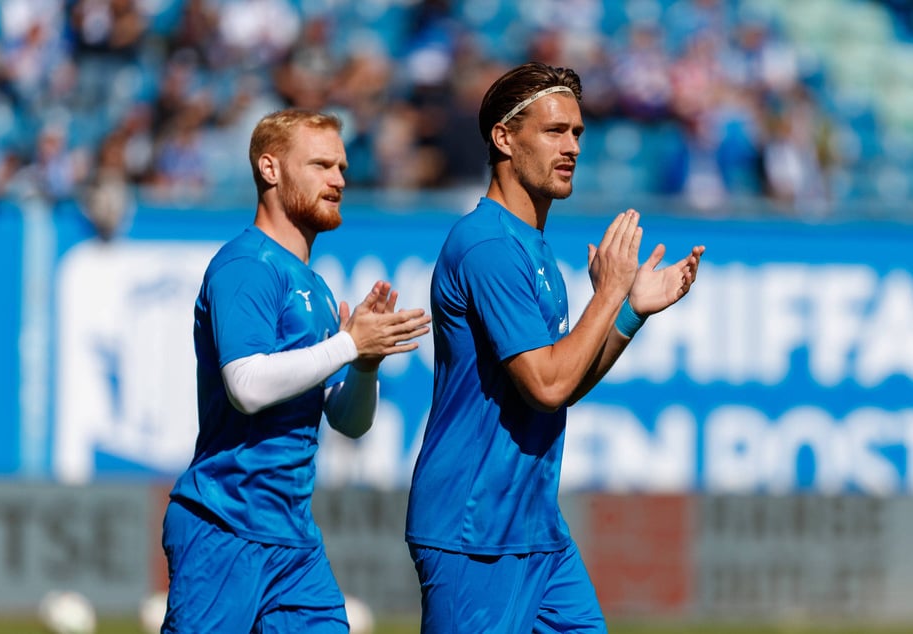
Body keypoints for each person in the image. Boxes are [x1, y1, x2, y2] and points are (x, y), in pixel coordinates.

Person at [405, 62, 705, 633]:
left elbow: (564, 380)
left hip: (534, 524)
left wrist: (628, 311)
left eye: (577, 133)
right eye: (553, 131)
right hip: (475, 530)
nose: (571, 147)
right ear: (503, 138)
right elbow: (549, 385)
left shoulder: (535, 250)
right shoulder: (487, 245)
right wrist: (609, 294)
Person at [162, 108, 431, 633]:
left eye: (343, 168)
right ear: (270, 169)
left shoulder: (319, 288)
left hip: (292, 537)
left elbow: (348, 422)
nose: (338, 180)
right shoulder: (246, 265)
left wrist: (365, 365)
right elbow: (246, 386)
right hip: (225, 523)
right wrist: (348, 344)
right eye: (321, 165)